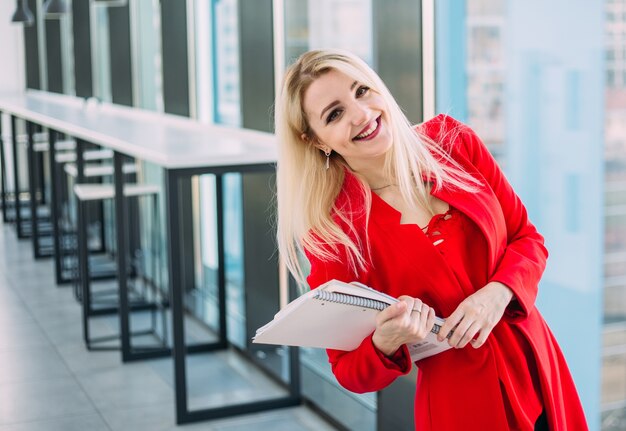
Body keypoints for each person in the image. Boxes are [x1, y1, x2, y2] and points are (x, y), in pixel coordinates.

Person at [274, 49, 588, 431]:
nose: (361, 114)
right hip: (462, 406)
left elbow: (527, 237)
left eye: (362, 90)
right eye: (334, 114)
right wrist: (385, 342)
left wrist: (498, 292)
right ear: (316, 141)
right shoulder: (335, 233)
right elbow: (349, 372)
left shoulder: (454, 142)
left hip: (539, 365)